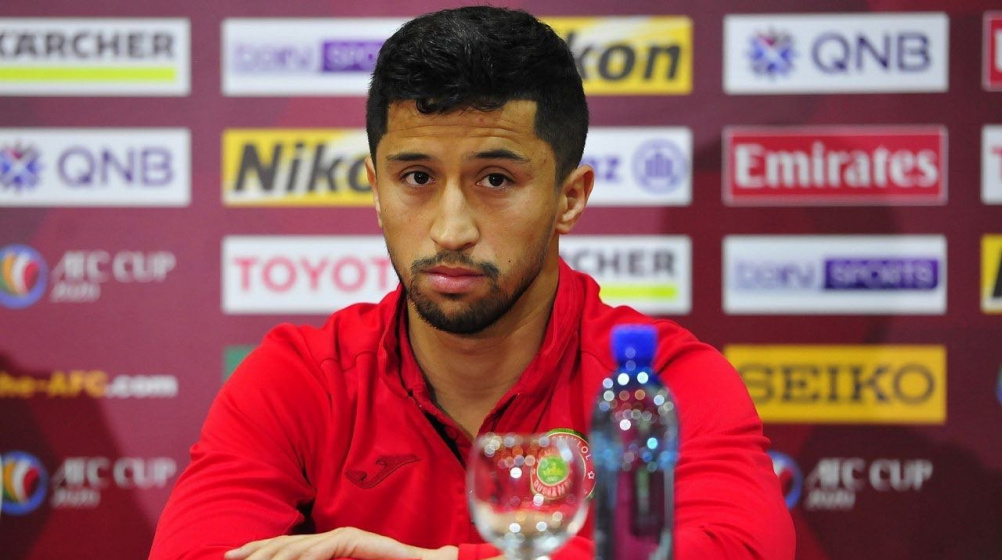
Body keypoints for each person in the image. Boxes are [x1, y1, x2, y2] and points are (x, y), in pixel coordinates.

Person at [149, 6, 795, 560]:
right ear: (375, 189)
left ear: (570, 198)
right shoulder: (299, 379)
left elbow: (740, 547)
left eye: (495, 180)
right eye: (417, 178)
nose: (450, 230)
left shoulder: (663, 384)